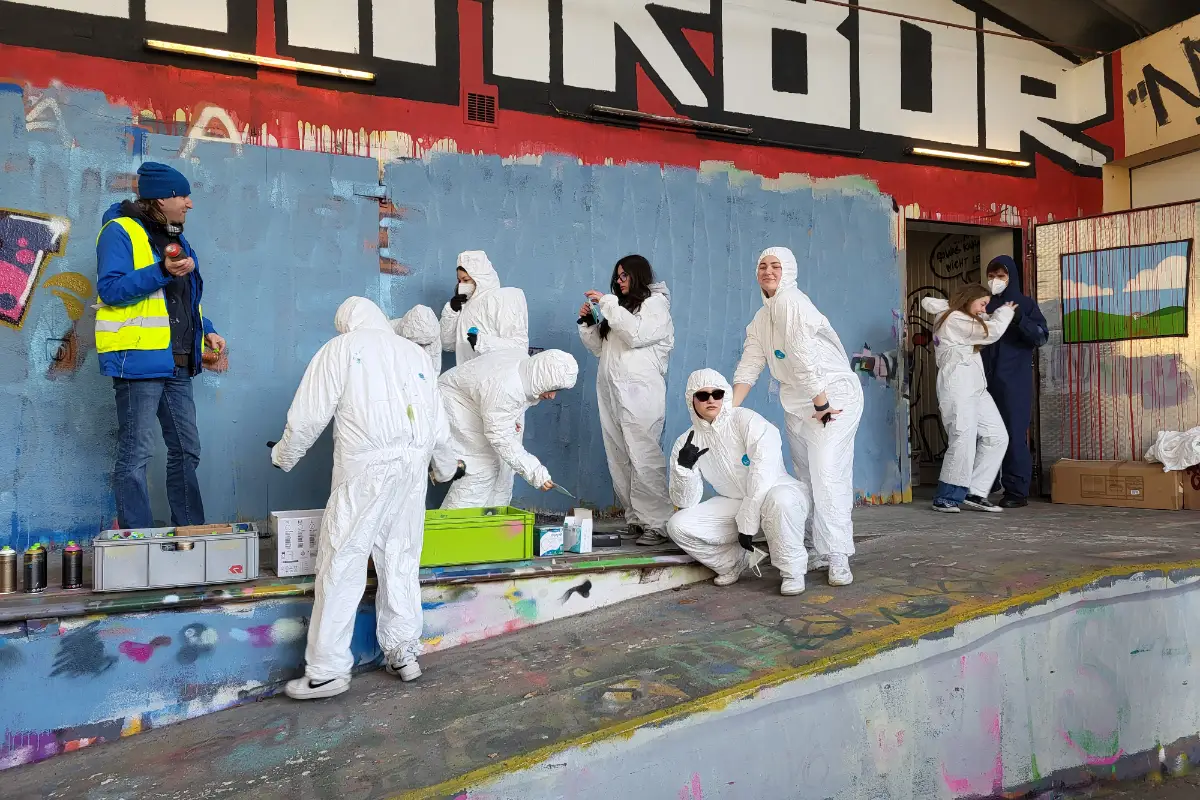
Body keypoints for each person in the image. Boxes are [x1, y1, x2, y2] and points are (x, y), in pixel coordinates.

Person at [270, 297, 461, 700]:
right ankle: (404, 652)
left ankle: (327, 671)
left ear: (347, 323)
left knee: (342, 560)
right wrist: (444, 469)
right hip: (412, 469)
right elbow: (439, 428)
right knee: (401, 557)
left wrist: (283, 456)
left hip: (365, 470)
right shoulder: (414, 353)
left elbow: (307, 417)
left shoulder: (342, 348)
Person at [95, 161, 224, 529]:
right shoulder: (119, 231)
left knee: (187, 449)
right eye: (183, 196)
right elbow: (111, 290)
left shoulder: (175, 237)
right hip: (139, 359)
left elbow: (183, 298)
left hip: (177, 361)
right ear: (162, 198)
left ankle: (189, 531)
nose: (189, 203)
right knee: (136, 454)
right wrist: (161, 271)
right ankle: (138, 538)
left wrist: (206, 330)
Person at [731, 247, 862, 587]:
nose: (768, 271)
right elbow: (750, 365)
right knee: (806, 474)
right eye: (762, 266)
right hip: (799, 401)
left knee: (827, 473)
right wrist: (727, 411)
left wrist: (821, 404)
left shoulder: (792, 302)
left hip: (832, 396)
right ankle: (815, 548)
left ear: (788, 271)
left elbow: (803, 357)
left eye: (776, 266)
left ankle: (838, 554)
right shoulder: (762, 318)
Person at [666, 369, 811, 595]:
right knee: (678, 525)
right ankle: (732, 563)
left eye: (717, 393)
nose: (711, 400)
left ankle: (792, 572)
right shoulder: (687, 442)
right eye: (702, 395)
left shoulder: (746, 420)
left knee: (781, 500)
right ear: (691, 401)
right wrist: (684, 470)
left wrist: (747, 524)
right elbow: (686, 501)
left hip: (775, 490)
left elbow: (763, 472)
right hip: (733, 501)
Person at [578, 255, 675, 546]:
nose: (619, 281)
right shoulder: (620, 308)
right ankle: (636, 519)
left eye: (624, 276)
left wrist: (608, 303)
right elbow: (601, 349)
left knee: (643, 455)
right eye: (617, 277)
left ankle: (657, 524)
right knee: (619, 456)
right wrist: (589, 323)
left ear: (638, 275)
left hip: (640, 391)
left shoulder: (655, 305)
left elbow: (635, 335)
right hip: (612, 389)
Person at [439, 348, 579, 509]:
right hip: (454, 403)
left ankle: (491, 522)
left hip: (472, 401)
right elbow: (500, 437)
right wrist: (535, 472)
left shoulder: (526, 368)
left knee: (504, 468)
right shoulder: (507, 388)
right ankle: (455, 524)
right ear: (541, 380)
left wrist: (509, 419)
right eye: (551, 389)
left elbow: (502, 403)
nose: (552, 396)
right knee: (480, 470)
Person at [921, 285, 1017, 513]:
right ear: (969, 298)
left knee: (997, 437)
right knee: (962, 438)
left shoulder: (958, 316)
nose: (983, 309)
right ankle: (947, 496)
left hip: (976, 387)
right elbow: (991, 332)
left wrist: (991, 313)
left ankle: (975, 491)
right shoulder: (952, 319)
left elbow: (980, 323)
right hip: (958, 386)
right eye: (982, 303)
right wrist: (1004, 312)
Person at [982, 255, 1048, 508]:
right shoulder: (983, 303)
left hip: (1014, 381)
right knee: (982, 433)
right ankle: (982, 486)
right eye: (991, 276)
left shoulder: (1025, 304)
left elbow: (1041, 337)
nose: (995, 280)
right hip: (982, 379)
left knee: (1013, 433)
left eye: (1001, 276)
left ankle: (1016, 490)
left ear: (1011, 276)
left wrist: (1021, 320)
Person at [439, 250, 529, 366]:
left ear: (480, 278)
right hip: (468, 372)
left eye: (466, 280)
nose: (461, 285)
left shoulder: (501, 298)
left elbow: (519, 348)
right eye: (459, 280)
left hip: (497, 374)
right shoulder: (466, 306)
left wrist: (481, 342)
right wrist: (451, 312)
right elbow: (448, 344)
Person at [392, 304, 442, 376]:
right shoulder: (390, 334)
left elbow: (434, 370)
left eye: (427, 344)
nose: (422, 347)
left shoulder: (433, 338)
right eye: (419, 344)